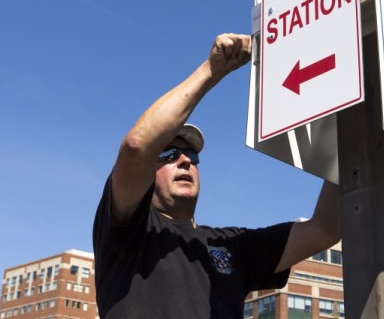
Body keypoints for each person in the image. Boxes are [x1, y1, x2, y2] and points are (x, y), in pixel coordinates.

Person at [92, 33, 341, 318]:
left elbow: (325, 229)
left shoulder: (231, 246)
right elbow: (136, 146)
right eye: (168, 154)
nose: (184, 160)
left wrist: (347, 128)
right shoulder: (128, 232)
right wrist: (214, 69)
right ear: (147, 172)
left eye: (191, 156)